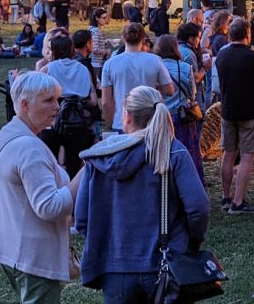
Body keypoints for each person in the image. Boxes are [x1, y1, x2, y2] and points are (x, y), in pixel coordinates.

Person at [74, 85, 209, 301]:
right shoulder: (172, 152)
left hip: (116, 270)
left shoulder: (99, 157)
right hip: (166, 263)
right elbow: (198, 207)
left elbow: (81, 219)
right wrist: (191, 240)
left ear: (127, 115)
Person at [0, 71, 83, 304]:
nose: (57, 107)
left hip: (12, 250)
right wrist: (88, 171)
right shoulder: (29, 148)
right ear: (24, 104)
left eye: (58, 100)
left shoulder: (8, 133)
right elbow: (49, 207)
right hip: (33, 256)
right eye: (49, 100)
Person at [216, 17, 254, 214]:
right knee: (247, 156)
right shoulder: (253, 57)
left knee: (228, 153)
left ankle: (225, 196)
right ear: (247, 35)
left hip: (228, 109)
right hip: (249, 111)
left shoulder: (221, 56)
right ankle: (238, 202)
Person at [40, 35, 98, 178]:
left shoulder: (47, 70)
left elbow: (38, 98)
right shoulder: (83, 69)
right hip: (77, 122)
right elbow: (93, 100)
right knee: (74, 167)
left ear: (54, 51)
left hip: (52, 123)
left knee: (50, 165)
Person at [102, 23, 174, 133]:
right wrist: (153, 86)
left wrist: (108, 125)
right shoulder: (155, 60)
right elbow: (170, 90)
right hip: (150, 123)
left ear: (123, 38)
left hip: (121, 123)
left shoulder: (110, 64)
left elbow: (106, 103)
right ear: (144, 38)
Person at [156, 35, 204, 186]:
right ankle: (189, 185)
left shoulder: (155, 66)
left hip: (160, 117)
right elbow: (192, 93)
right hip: (180, 117)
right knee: (186, 155)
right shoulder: (185, 67)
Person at [89, 7, 109, 80]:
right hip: (96, 62)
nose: (106, 20)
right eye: (103, 18)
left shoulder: (91, 29)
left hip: (94, 61)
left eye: (106, 17)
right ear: (97, 18)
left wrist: (104, 41)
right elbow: (95, 49)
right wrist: (106, 52)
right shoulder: (96, 31)